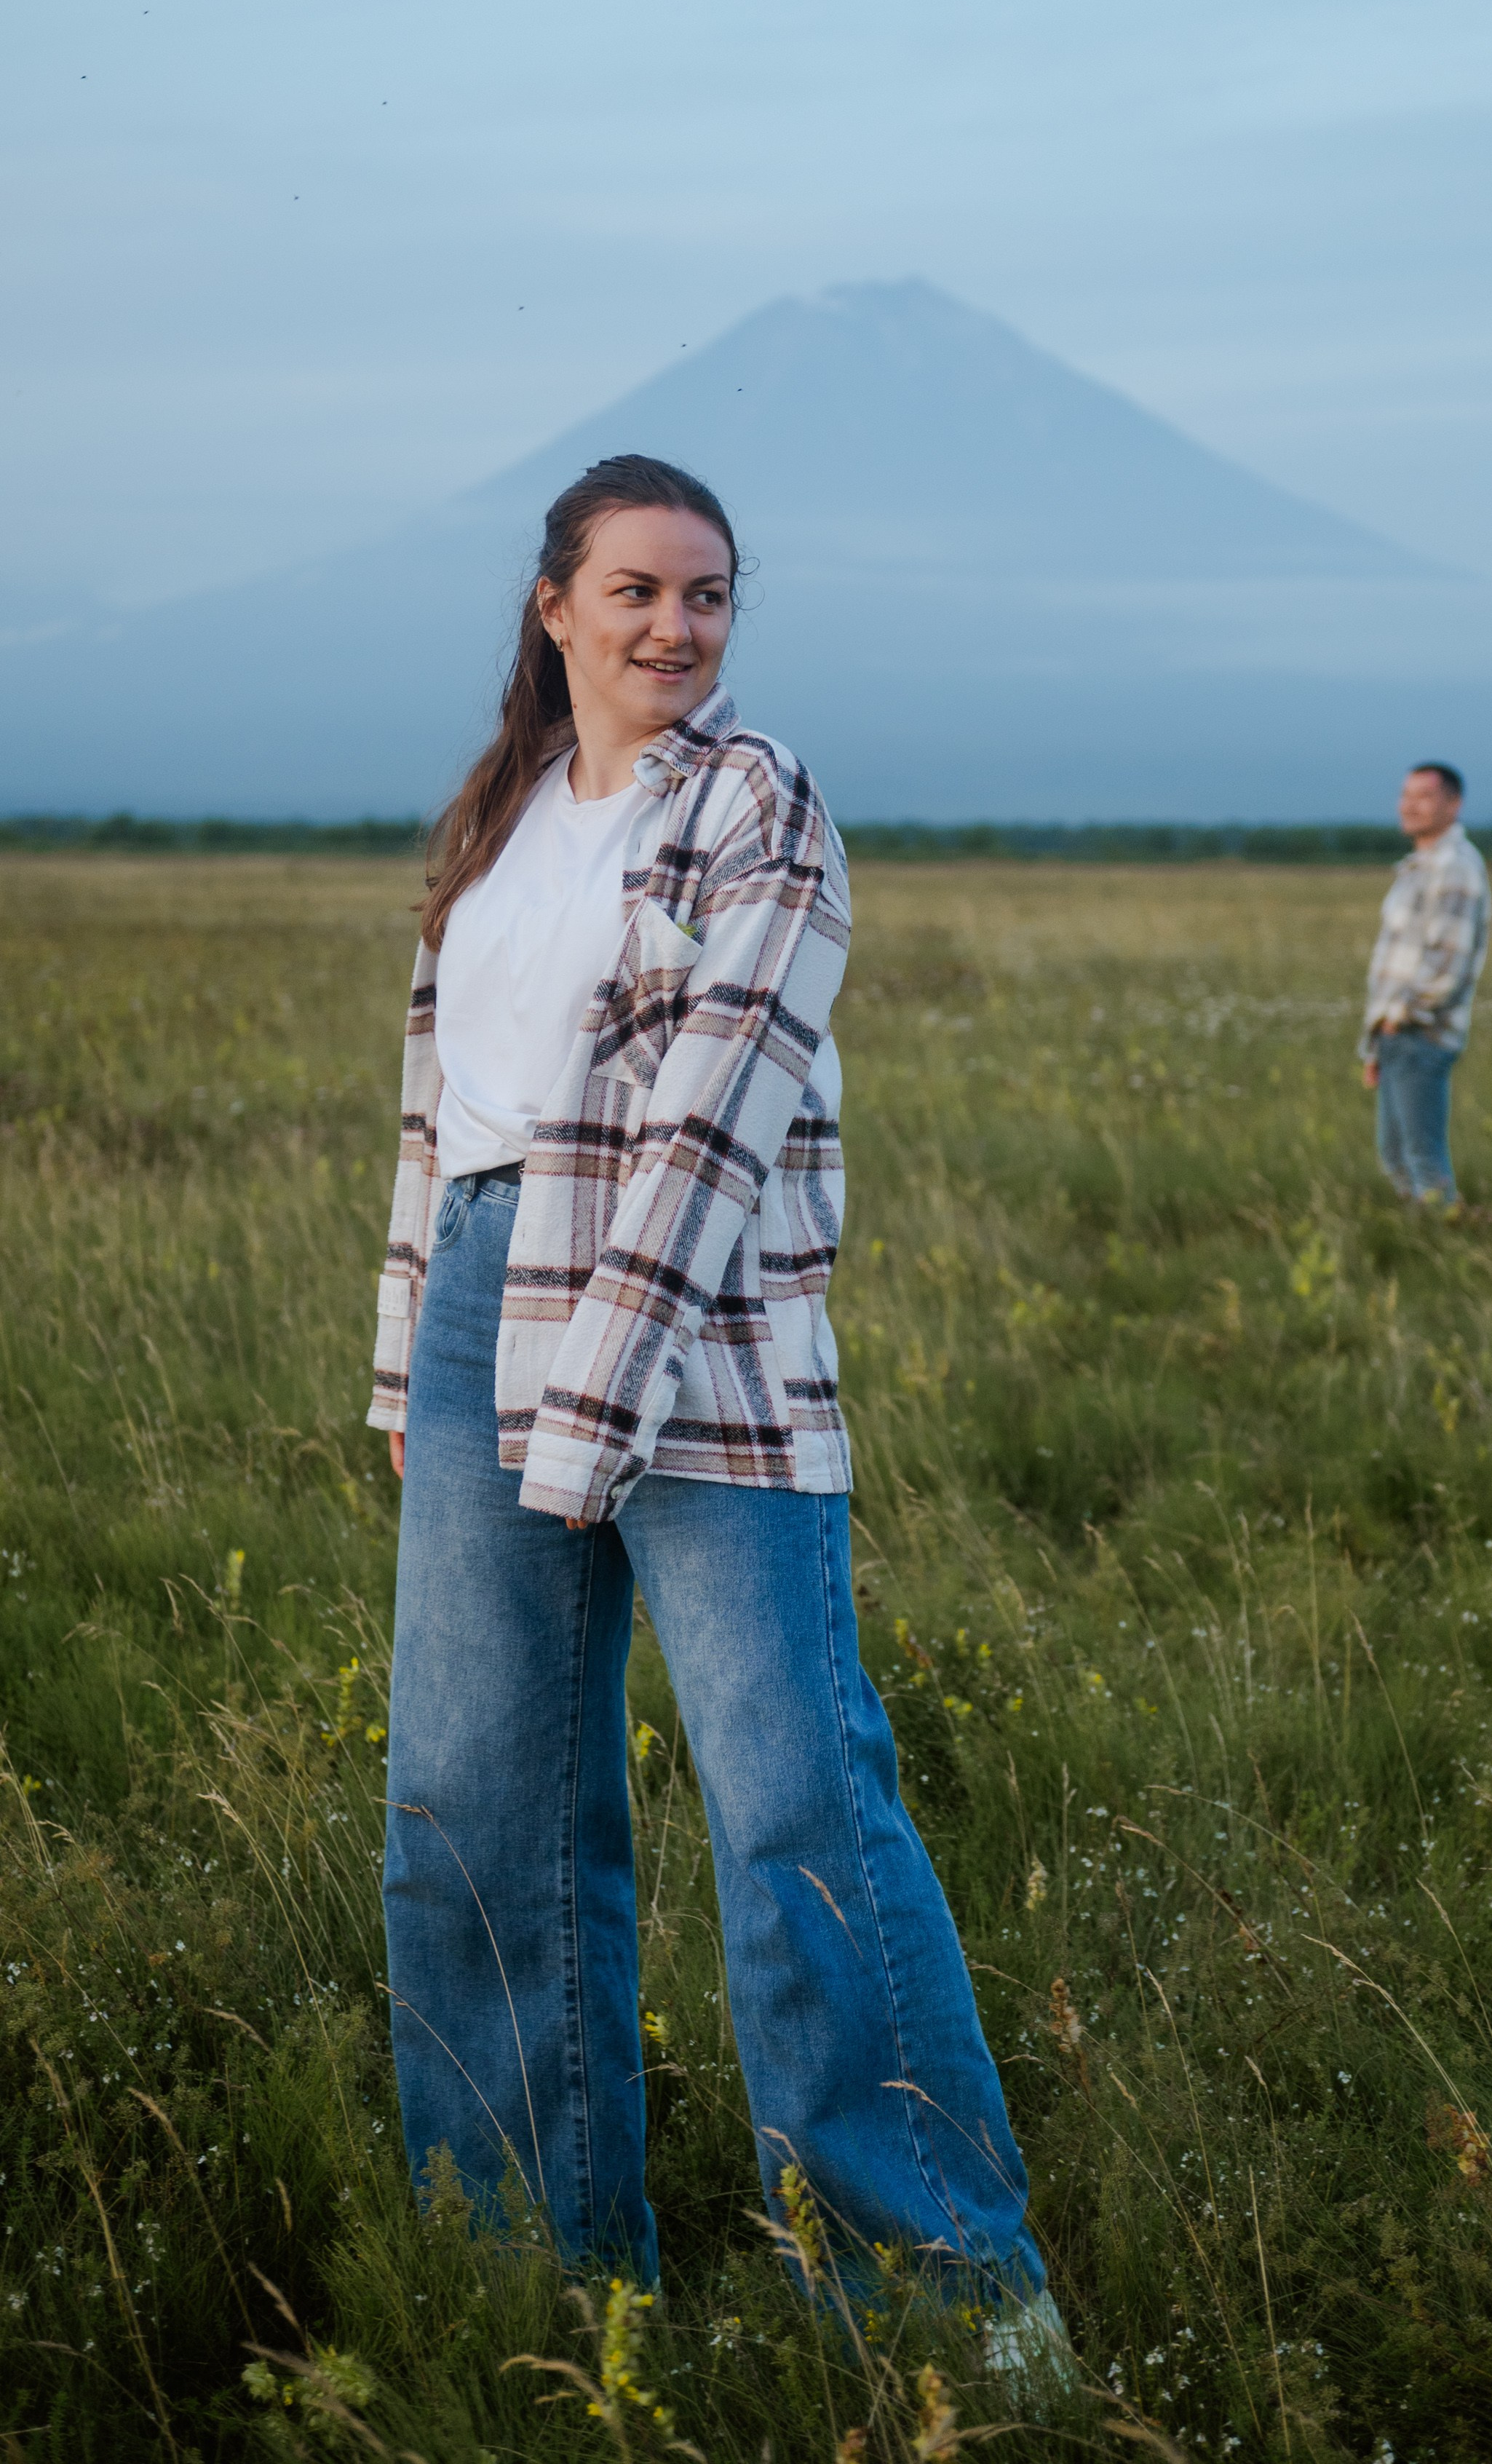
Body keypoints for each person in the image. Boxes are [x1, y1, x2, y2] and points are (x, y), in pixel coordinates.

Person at [366, 452, 1055, 2340]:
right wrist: (418, 1355)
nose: (676, 626)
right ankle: (530, 2284)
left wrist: (596, 1399)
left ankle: (946, 2309)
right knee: (468, 1809)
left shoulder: (758, 804)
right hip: (478, 1314)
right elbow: (451, 1129)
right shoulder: (501, 819)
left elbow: (713, 1117)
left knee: (793, 1810)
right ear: (554, 606)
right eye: (639, 591)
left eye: (709, 596)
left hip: (700, 1342)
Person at [1360, 762, 1491, 1209]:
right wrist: (1378, 1040)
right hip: (1398, 1035)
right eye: (1405, 795)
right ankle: (1422, 1240)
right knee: (1396, 1155)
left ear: (1454, 805)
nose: (1410, 806)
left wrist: (1401, 1020)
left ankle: (1447, 1241)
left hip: (1421, 1034)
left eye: (1424, 796)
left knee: (1422, 1159)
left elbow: (1446, 966)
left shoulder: (1455, 868)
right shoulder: (1420, 866)